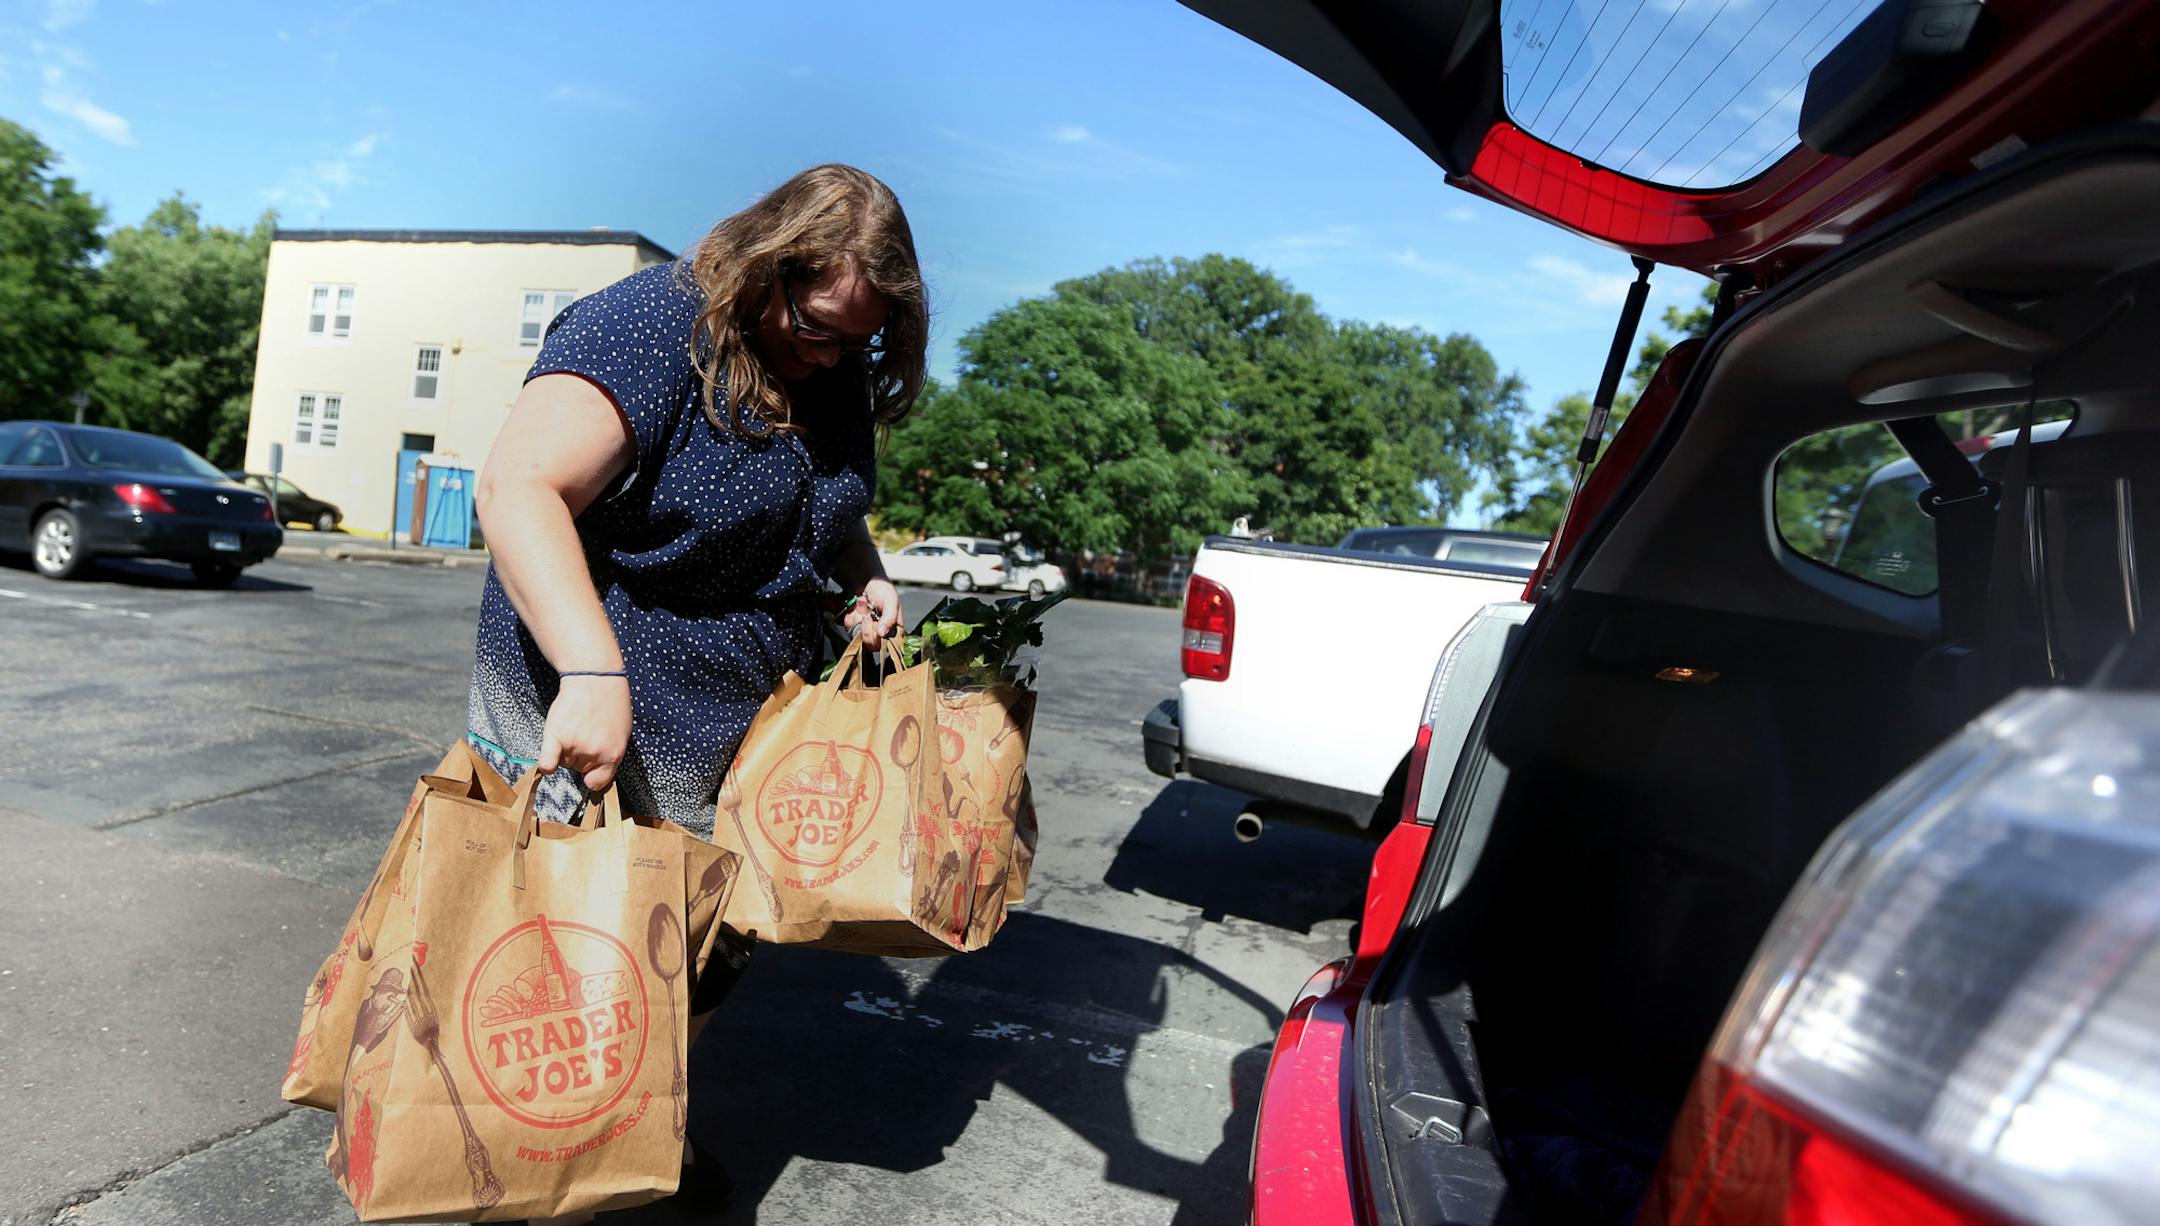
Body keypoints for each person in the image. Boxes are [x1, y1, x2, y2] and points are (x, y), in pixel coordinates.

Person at [464, 163, 925, 1221]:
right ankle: (511, 1158)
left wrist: (864, 570)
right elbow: (516, 487)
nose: (829, 354)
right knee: (568, 954)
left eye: (856, 342)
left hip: (736, 711)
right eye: (814, 326)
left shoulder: (830, 359)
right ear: (767, 268)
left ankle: (625, 1123)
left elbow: (819, 498)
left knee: (706, 944)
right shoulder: (650, 326)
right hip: (594, 692)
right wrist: (589, 668)